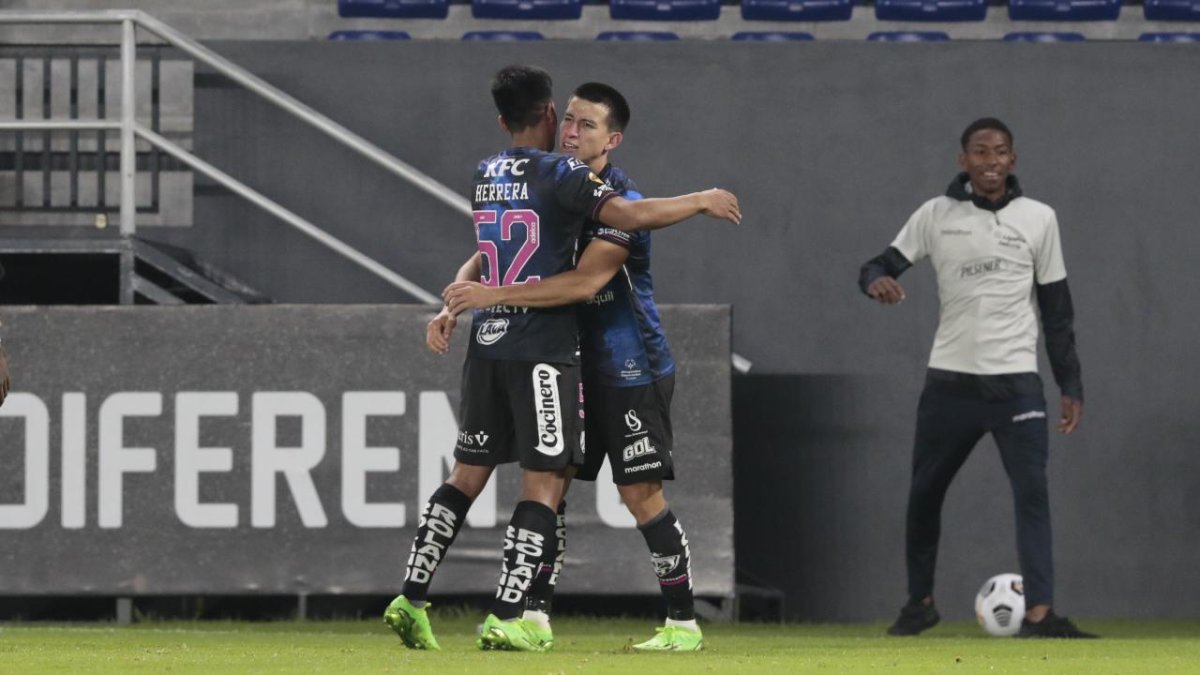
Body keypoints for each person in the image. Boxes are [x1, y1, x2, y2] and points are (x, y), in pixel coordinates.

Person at [383, 65, 740, 653]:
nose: (573, 131)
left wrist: (487, 299)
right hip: (566, 359)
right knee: (554, 484)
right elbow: (487, 251)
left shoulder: (618, 200)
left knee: (638, 496)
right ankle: (534, 615)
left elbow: (582, 284)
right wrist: (456, 297)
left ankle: (682, 621)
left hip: (628, 365)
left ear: (612, 139)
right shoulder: (554, 185)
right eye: (569, 118)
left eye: (587, 124)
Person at [858, 118, 1095, 639]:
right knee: (925, 494)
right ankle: (919, 603)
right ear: (963, 160)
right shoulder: (936, 216)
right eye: (981, 152)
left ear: (1013, 160)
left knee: (1032, 495)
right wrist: (876, 281)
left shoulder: (1040, 219)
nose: (991, 160)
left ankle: (1039, 614)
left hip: (1017, 385)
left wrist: (1069, 384)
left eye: (1001, 151)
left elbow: (1057, 312)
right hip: (951, 385)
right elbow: (879, 264)